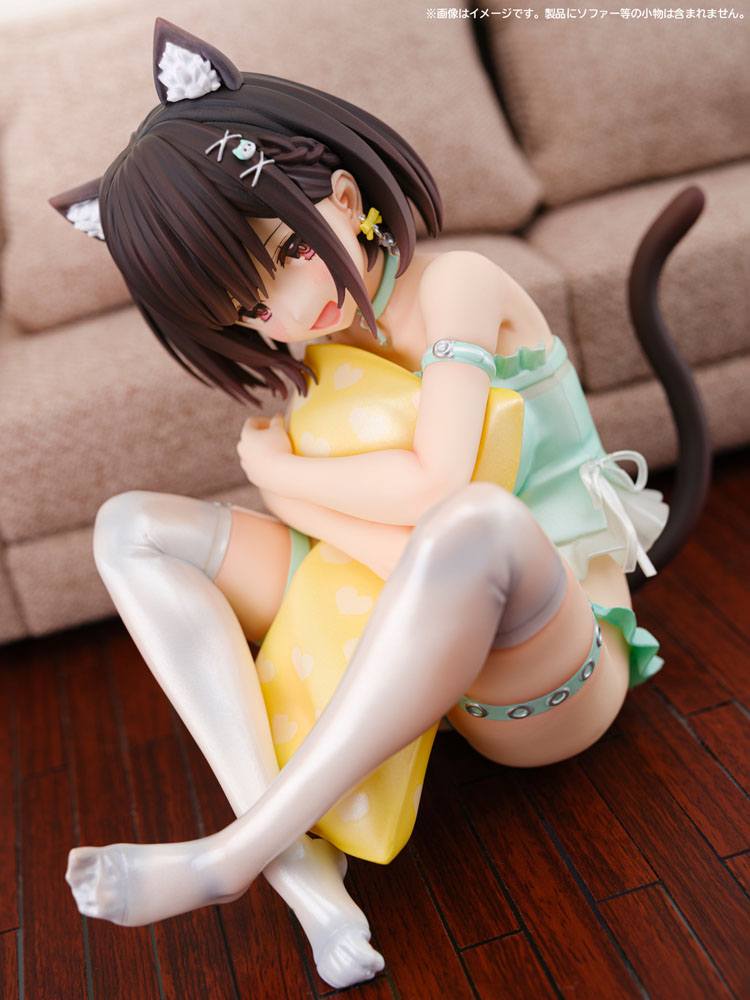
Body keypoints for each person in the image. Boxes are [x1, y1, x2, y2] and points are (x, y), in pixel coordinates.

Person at [50, 18, 691, 989]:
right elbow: (388, 547)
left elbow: (438, 492)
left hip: (548, 667)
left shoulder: (457, 287)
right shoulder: (320, 351)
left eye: (286, 255)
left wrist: (277, 475)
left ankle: (234, 854)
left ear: (343, 199)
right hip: (417, 637)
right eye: (249, 308)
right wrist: (310, 502)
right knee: (129, 528)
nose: (286, 313)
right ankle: (302, 871)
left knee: (476, 522)